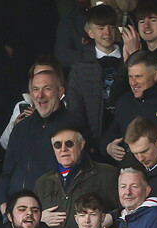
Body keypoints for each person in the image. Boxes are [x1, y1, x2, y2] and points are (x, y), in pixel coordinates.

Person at [0, 62, 82, 202]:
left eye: (46, 89)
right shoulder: (20, 127)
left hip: (52, 212)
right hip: (15, 211)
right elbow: (7, 171)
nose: (40, 95)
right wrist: (2, 203)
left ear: (60, 91)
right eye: (35, 89)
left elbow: (76, 177)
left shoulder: (73, 126)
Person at [34, 127, 120, 228]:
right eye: (57, 145)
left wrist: (110, 218)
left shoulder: (108, 173)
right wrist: (39, 220)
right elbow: (27, 222)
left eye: (69, 143)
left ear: (82, 144)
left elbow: (127, 210)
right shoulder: (42, 182)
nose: (63, 149)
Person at [65, 4, 129, 146]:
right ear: (90, 32)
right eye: (101, 28)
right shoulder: (80, 64)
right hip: (94, 140)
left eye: (111, 27)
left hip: (128, 135)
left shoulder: (129, 57)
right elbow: (76, 108)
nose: (107, 32)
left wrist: (130, 59)